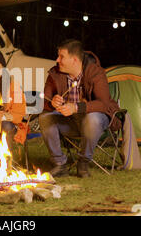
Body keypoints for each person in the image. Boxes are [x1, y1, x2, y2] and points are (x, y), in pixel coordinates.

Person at [39, 39, 121, 178]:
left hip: (95, 124)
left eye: (61, 56)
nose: (57, 59)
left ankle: (83, 161)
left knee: (92, 118)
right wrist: (52, 102)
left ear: (75, 60)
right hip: (70, 123)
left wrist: (77, 107)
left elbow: (104, 103)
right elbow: (44, 101)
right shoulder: (55, 74)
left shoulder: (95, 72)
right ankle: (59, 164)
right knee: (45, 118)